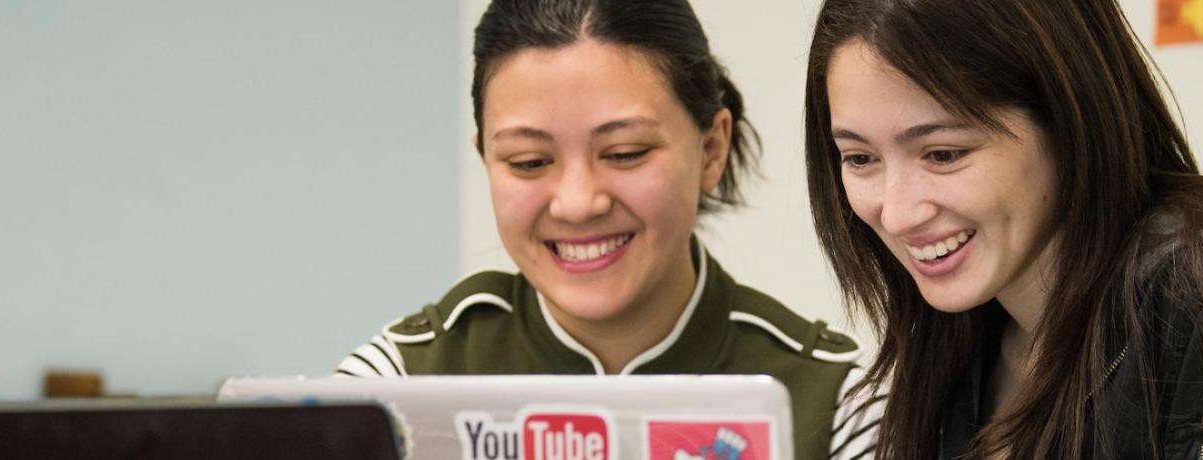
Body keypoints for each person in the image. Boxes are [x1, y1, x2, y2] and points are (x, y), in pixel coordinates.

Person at [801, 0, 1203, 458]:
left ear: (1068, 119)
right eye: (860, 159)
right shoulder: (961, 334)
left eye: (944, 154)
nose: (897, 212)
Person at [336, 1, 880, 459]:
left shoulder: (838, 405)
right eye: (529, 162)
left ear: (711, 149)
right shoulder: (389, 388)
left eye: (625, 153)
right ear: (486, 160)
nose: (578, 204)